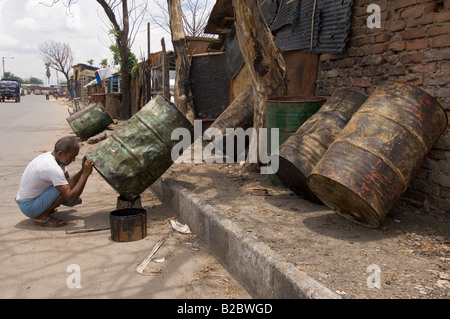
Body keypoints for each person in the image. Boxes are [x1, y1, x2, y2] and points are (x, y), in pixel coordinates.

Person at [15, 136, 94, 227]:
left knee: (74, 194)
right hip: (29, 206)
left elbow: (68, 179)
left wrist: (83, 169)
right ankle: (41, 216)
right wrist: (85, 174)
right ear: (60, 153)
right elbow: (70, 197)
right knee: (71, 192)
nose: (73, 160)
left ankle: (44, 210)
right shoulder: (52, 167)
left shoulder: (54, 158)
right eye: (71, 157)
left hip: (29, 202)